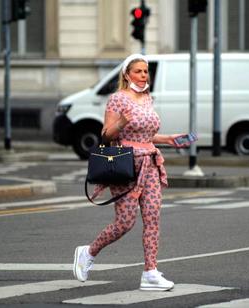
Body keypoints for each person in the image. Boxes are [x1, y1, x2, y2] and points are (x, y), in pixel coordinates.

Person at [73, 54, 189, 291]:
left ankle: (150, 272)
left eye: (146, 71)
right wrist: (121, 122)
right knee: (125, 223)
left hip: (151, 163)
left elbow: (146, 134)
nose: (144, 75)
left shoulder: (148, 98)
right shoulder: (117, 99)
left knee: (153, 218)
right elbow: (106, 135)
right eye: (139, 71)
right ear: (127, 74)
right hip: (126, 166)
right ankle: (88, 251)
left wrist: (168, 139)